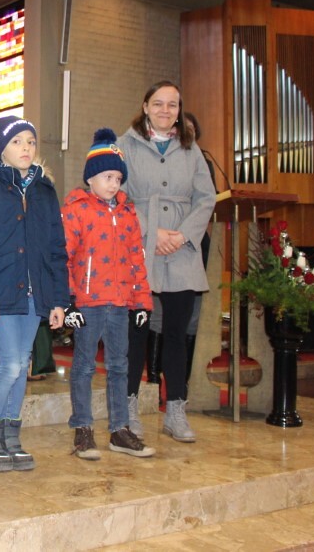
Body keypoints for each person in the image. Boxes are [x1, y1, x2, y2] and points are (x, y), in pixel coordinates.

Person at [0, 115, 68, 472]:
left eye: (30, 142)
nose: (26, 148)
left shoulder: (44, 191)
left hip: (35, 295)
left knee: (22, 365)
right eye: (17, 141)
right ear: (2, 147)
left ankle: (9, 436)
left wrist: (58, 300)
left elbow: (56, 249)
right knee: (11, 364)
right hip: (0, 291)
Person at [118, 81, 216, 443]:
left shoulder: (191, 149)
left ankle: (175, 410)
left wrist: (183, 235)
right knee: (135, 333)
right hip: (139, 247)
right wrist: (151, 232)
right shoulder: (125, 145)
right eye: (158, 103)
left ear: (179, 110)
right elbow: (117, 194)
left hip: (182, 248)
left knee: (177, 334)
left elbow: (206, 198)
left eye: (172, 105)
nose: (165, 110)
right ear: (145, 106)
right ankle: (128, 409)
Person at [62, 129, 154, 461]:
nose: (113, 184)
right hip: (88, 302)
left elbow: (136, 259)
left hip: (120, 302)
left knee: (119, 366)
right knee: (84, 366)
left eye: (117, 178)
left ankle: (119, 429)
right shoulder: (76, 209)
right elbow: (64, 257)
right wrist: (68, 301)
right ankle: (83, 429)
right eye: (106, 177)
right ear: (90, 178)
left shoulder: (128, 213)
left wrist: (142, 302)